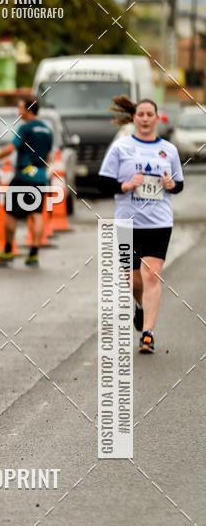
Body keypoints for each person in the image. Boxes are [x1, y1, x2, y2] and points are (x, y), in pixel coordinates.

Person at [99, 96, 184, 354]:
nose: (145, 119)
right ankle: (139, 306)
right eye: (141, 114)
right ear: (134, 118)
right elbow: (104, 183)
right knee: (134, 281)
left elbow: (179, 184)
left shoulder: (169, 150)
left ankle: (148, 334)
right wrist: (126, 185)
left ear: (157, 118)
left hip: (159, 222)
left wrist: (171, 185)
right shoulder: (120, 147)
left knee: (151, 274)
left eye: (150, 114)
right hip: (127, 223)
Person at [0, 96, 53, 267]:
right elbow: (48, 157)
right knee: (37, 214)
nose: (18, 111)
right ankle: (34, 254)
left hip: (24, 176)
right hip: (40, 177)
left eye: (20, 108)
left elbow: (11, 148)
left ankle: (7, 249)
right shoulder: (47, 130)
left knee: (10, 212)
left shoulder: (25, 128)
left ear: (29, 109)